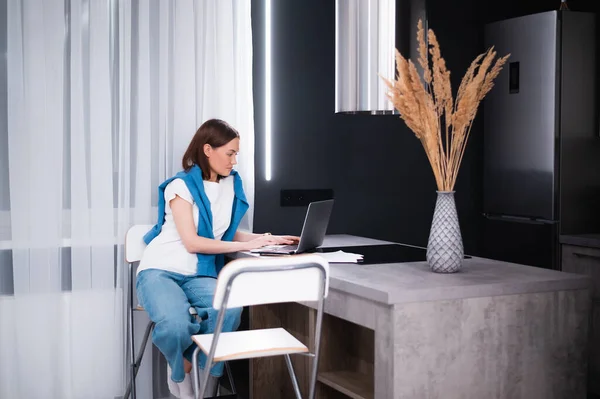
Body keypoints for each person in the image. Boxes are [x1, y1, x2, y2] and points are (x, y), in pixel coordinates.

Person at [135, 118, 299, 398]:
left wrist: (265, 238)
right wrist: (256, 241)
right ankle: (181, 365)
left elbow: (225, 233)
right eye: (230, 153)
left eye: (237, 154)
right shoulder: (182, 185)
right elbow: (192, 241)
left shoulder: (231, 185)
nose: (234, 161)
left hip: (199, 273)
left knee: (230, 309)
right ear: (208, 149)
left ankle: (195, 365)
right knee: (174, 324)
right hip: (160, 270)